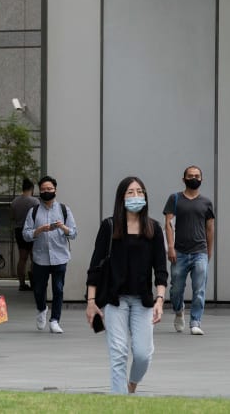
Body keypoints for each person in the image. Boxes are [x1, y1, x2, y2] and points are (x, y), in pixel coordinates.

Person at [86, 176, 167, 394]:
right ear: (121, 198)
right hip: (115, 300)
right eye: (130, 192)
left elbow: (161, 270)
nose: (136, 196)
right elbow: (95, 267)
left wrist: (160, 299)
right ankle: (118, 400)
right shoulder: (109, 226)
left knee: (143, 354)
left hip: (143, 301)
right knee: (118, 352)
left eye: (140, 192)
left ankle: (131, 384)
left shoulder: (154, 229)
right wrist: (91, 302)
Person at [163, 165, 215, 335]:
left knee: (199, 288)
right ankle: (179, 311)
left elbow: (210, 228)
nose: (194, 178)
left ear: (201, 179)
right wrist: (171, 247)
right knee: (176, 287)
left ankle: (195, 321)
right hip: (179, 251)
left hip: (200, 251)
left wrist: (209, 251)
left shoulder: (206, 203)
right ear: (184, 179)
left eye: (197, 175)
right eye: (190, 175)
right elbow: (169, 225)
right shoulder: (175, 198)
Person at [22, 175, 77, 334]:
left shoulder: (64, 210)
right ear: (39, 191)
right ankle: (41, 309)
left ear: (55, 190)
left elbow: (73, 233)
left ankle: (55, 320)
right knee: (39, 289)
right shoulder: (33, 211)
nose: (47, 191)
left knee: (58, 289)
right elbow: (25, 234)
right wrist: (38, 231)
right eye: (44, 189)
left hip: (60, 256)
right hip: (40, 257)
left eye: (50, 189)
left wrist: (63, 228)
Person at [11, 178, 39, 291]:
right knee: (34, 257)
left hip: (19, 230)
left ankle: (22, 283)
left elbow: (12, 217)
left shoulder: (15, 201)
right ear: (32, 188)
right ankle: (34, 282)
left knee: (22, 258)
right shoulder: (35, 201)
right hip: (32, 230)